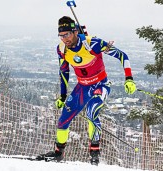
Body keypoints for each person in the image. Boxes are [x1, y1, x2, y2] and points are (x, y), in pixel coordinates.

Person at [44, 16, 136, 165]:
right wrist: (62, 96)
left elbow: (122, 55)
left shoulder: (92, 43)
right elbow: (63, 72)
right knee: (63, 119)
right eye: (61, 35)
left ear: (74, 31)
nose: (64, 39)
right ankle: (58, 153)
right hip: (82, 87)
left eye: (67, 34)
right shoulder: (62, 49)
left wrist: (129, 78)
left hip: (100, 85)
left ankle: (94, 154)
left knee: (91, 112)